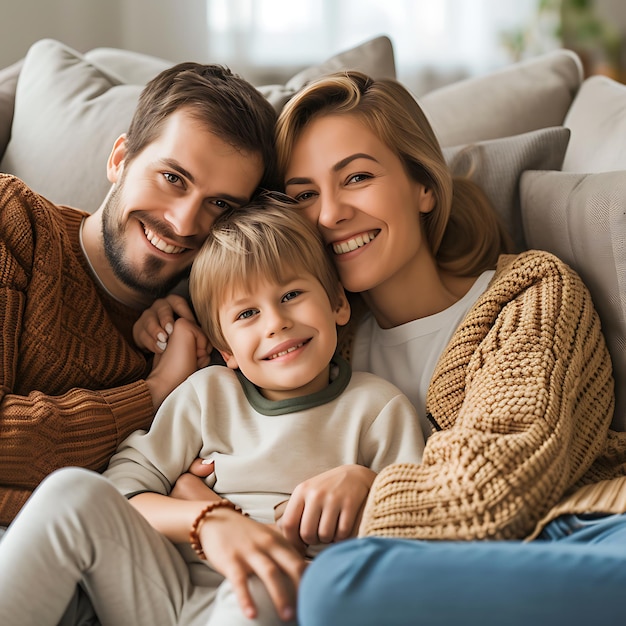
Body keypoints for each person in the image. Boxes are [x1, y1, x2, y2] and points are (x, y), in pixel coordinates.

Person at [268, 70, 626, 625]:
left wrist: (367, 489)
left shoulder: (530, 293)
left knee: (335, 585)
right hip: (432, 571)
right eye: (304, 195)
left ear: (424, 186)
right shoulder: (311, 343)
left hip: (586, 533)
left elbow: (497, 486)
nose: (330, 213)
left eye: (357, 177)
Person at [0, 194, 425, 626]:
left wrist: (368, 484)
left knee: (268, 585)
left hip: (273, 600)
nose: (275, 322)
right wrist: (206, 517)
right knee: (71, 492)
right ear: (227, 350)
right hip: (162, 590)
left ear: (337, 302)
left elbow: (421, 527)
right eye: (247, 313)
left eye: (292, 294)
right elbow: (123, 492)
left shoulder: (377, 408)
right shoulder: (207, 394)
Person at [0, 60, 278, 532]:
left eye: (221, 205)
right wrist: (151, 394)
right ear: (119, 159)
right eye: (173, 178)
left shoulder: (210, 337)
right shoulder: (14, 221)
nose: (185, 223)